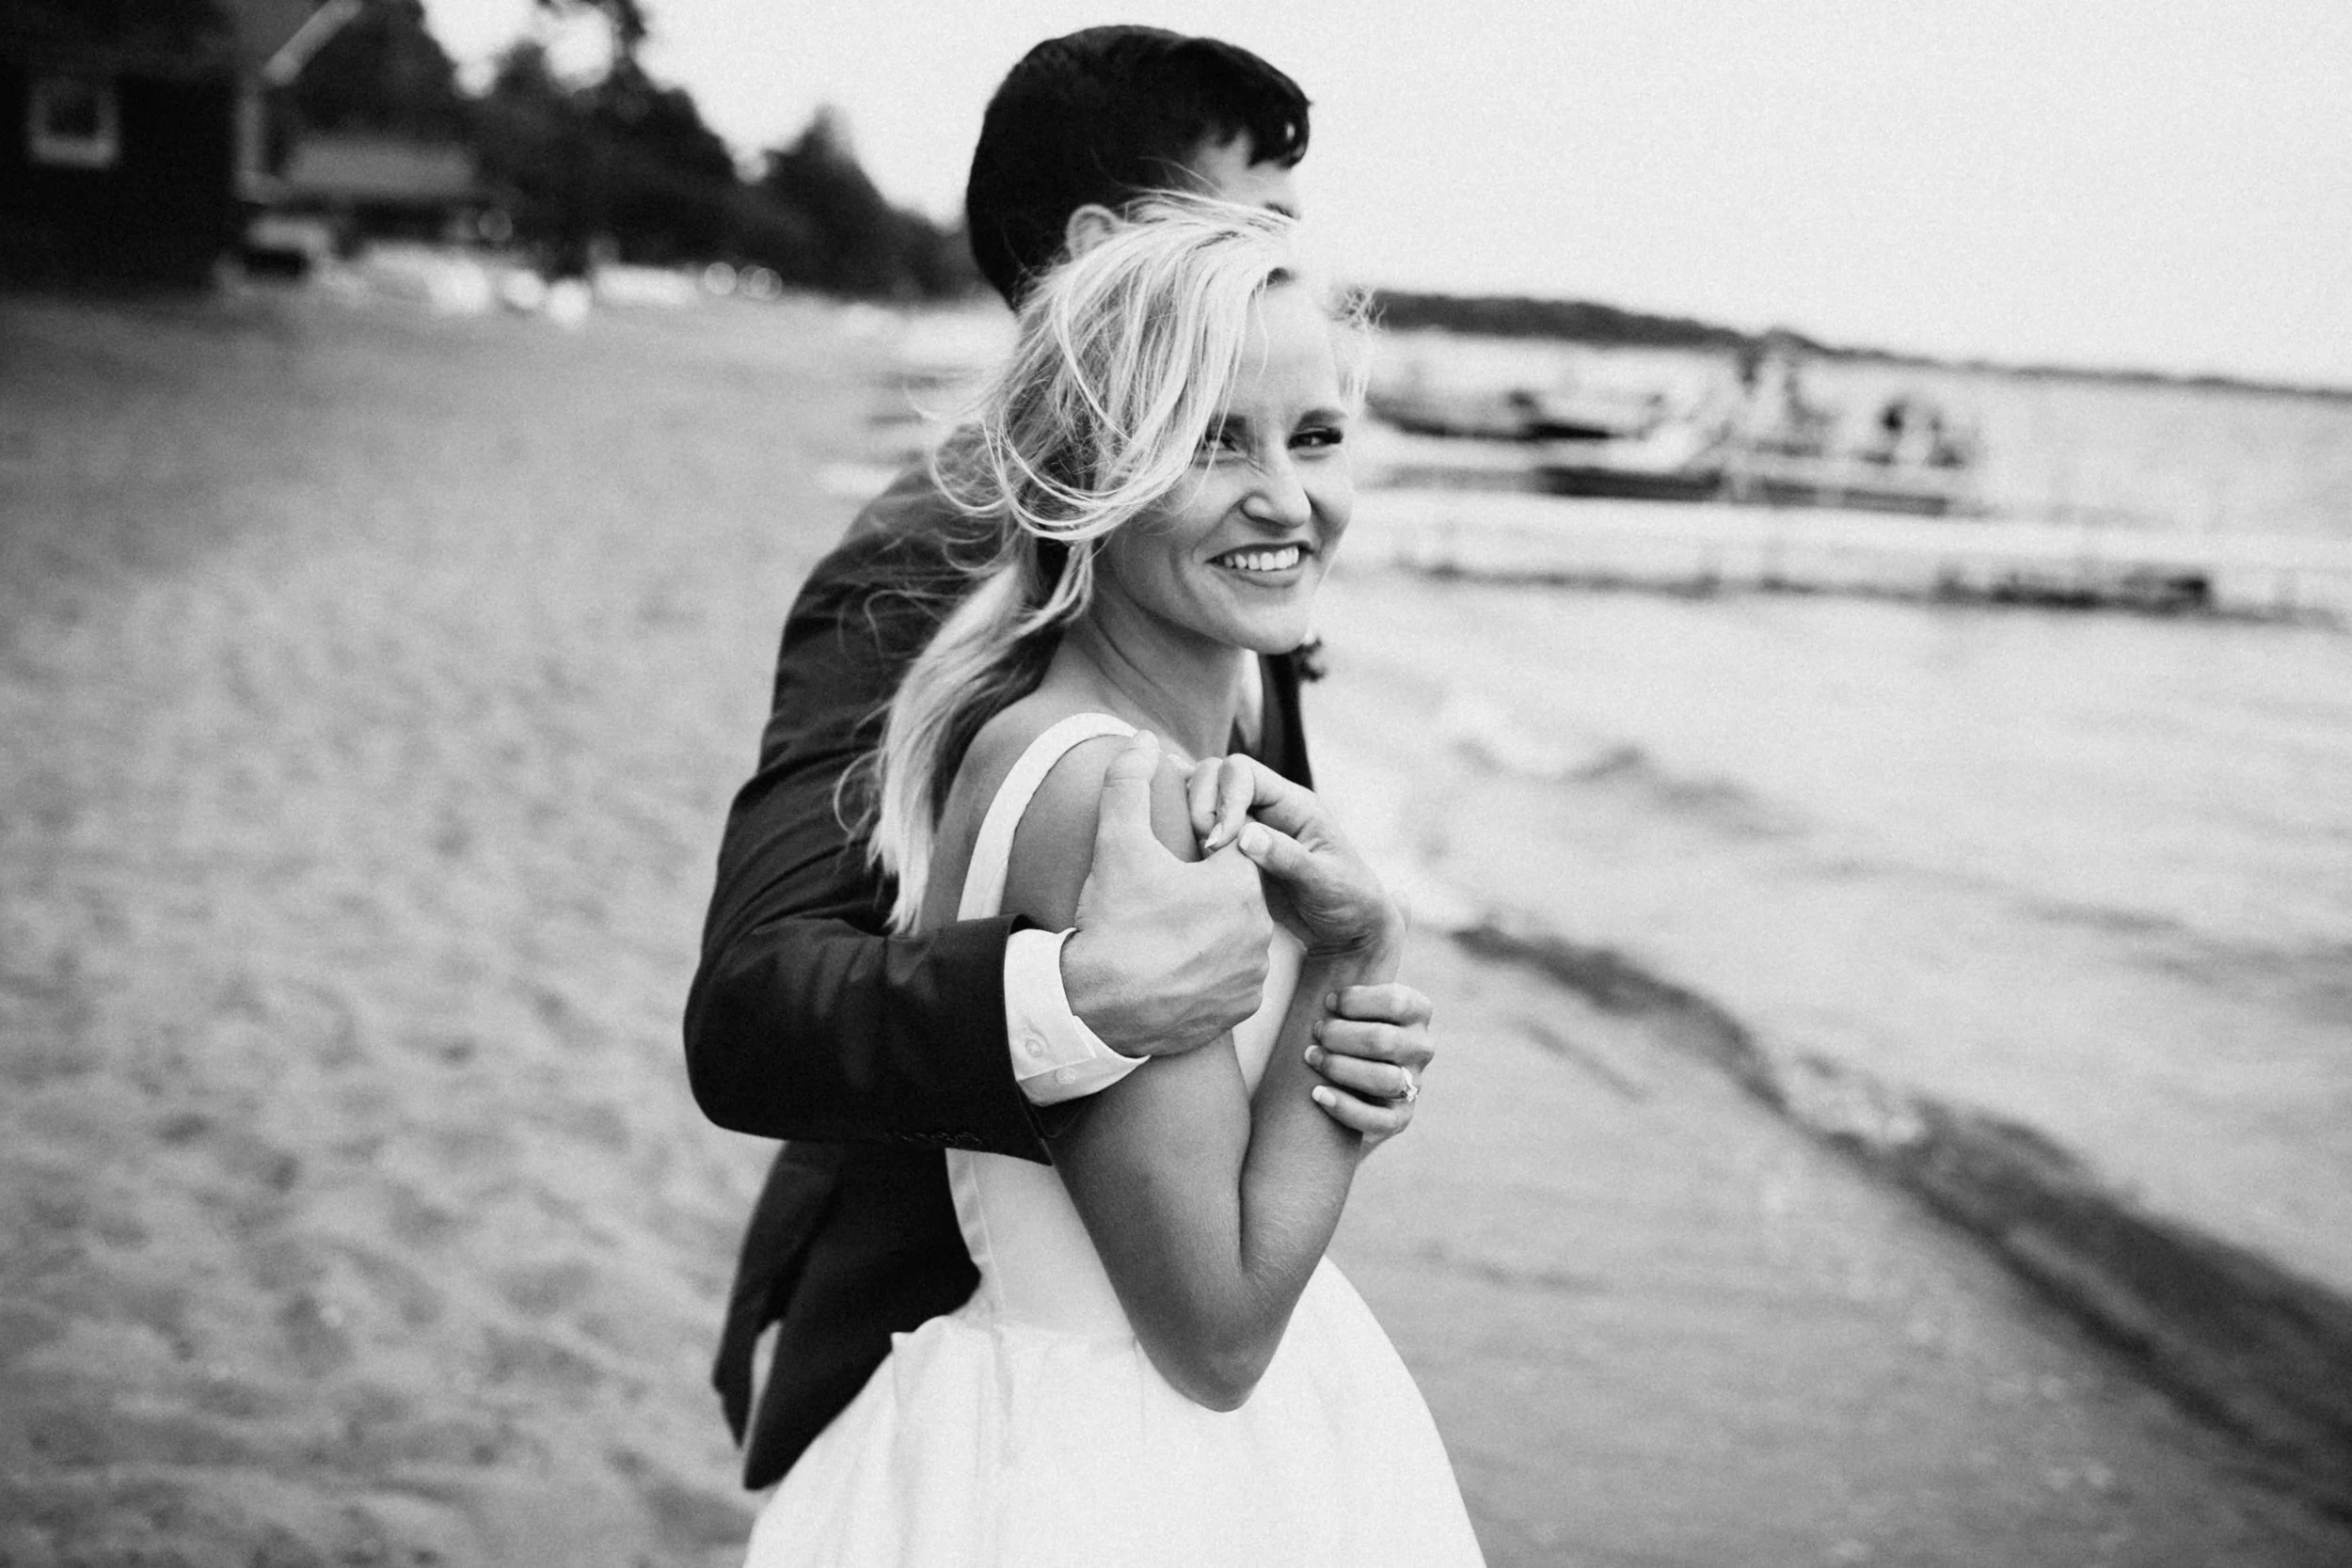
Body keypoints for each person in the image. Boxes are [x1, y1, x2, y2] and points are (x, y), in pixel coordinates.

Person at [684, 25, 1439, 1495]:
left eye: (1316, 432)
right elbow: (754, 1001)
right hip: (982, 1340)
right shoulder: (927, 561)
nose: (1281, 272)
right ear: (1109, 247)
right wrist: (1074, 998)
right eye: (1253, 228)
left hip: (1149, 1276)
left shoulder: (1216, 561)